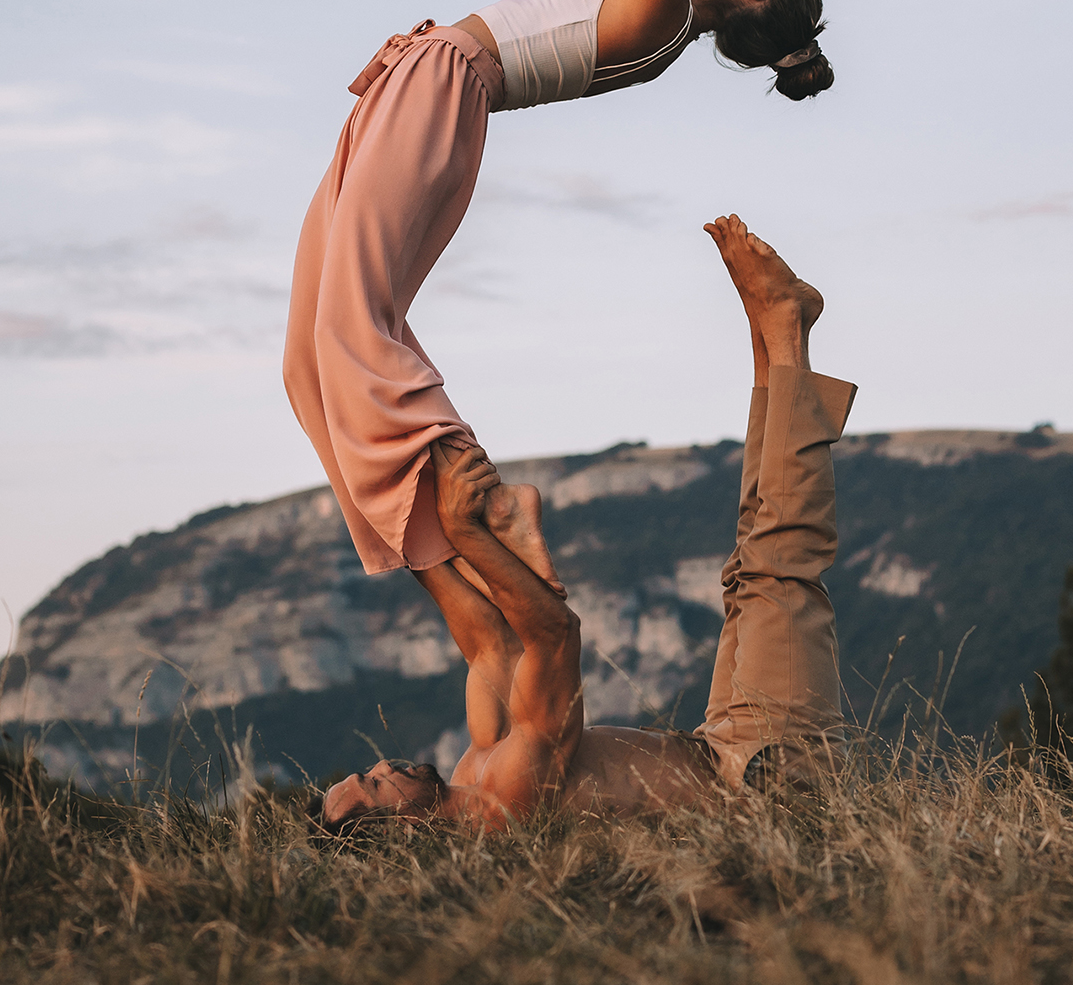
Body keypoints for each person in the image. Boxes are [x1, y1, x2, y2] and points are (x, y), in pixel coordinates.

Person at [284, 0, 835, 596]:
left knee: (355, 326)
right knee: (311, 354)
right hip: (428, 86)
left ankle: (492, 509)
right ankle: (454, 571)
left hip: (441, 84)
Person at [323, 215, 858, 829]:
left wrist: (392, 515)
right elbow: (554, 636)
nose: (382, 767)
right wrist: (468, 532)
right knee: (779, 561)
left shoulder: (477, 767)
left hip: (718, 745)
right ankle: (785, 329)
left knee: (747, 568)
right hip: (768, 787)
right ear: (398, 836)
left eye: (367, 769)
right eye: (373, 786)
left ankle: (771, 338)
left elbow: (488, 642)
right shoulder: (504, 805)